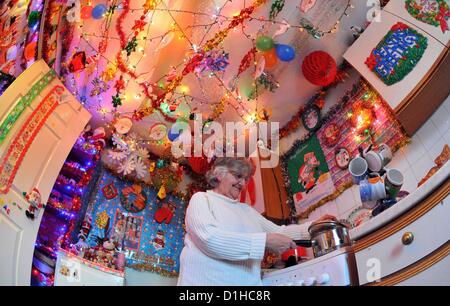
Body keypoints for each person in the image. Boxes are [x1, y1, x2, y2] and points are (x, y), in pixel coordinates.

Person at [177, 157, 336, 286]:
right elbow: (209, 239)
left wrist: (314, 227)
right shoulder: (202, 199)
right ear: (219, 174)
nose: (242, 183)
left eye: (245, 179)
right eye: (238, 176)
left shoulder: (247, 211)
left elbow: (279, 233)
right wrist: (264, 241)